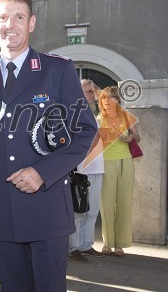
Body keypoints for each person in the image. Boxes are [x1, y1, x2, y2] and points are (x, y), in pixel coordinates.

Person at [0, 0, 97, 292]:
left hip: (46, 204)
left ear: (31, 23)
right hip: (1, 209)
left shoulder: (56, 69)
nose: (9, 24)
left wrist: (43, 172)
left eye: (18, 17)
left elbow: (85, 131)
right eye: (3, 17)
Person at [97, 86, 140, 257]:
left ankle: (120, 245)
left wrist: (131, 137)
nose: (108, 100)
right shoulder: (98, 119)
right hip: (106, 162)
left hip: (126, 162)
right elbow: (93, 143)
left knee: (124, 203)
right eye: (105, 97)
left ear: (118, 100)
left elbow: (138, 137)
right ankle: (108, 243)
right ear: (102, 101)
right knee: (107, 204)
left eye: (112, 97)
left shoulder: (126, 116)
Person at [68, 79, 105, 262]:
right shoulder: (73, 113)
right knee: (78, 210)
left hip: (98, 167)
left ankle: (86, 245)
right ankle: (73, 247)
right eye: (89, 91)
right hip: (82, 169)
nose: (93, 95)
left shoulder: (93, 114)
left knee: (92, 211)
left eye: (92, 91)